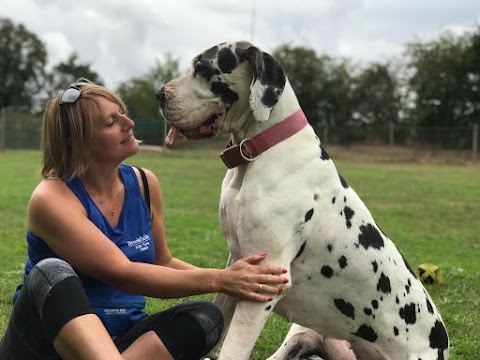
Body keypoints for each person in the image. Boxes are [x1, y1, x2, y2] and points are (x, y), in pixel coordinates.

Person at [0, 79, 288, 360]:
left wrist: (237, 280)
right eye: (111, 122)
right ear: (77, 141)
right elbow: (121, 273)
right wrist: (221, 279)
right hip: (43, 345)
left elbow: (162, 262)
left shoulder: (144, 183)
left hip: (122, 341)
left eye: (122, 113)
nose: (129, 123)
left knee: (206, 317)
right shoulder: (51, 197)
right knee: (51, 273)